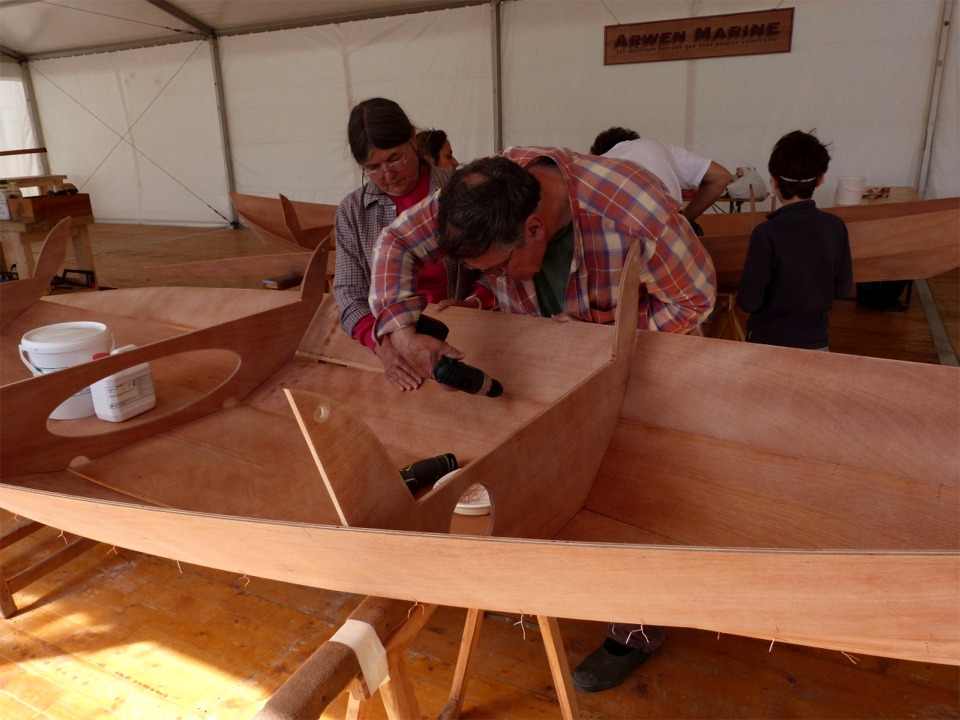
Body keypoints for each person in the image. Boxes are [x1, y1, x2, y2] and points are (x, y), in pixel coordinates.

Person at [333, 98, 492, 390]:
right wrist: (382, 345)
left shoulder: (456, 189)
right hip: (392, 345)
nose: (388, 173)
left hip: (470, 333)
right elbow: (348, 292)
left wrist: (475, 301)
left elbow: (496, 263)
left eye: (395, 158)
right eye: (373, 167)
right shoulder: (353, 211)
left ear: (412, 140)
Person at [737, 130, 853, 349]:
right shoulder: (835, 226)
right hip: (816, 342)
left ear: (774, 182)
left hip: (767, 344)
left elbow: (749, 301)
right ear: (820, 179)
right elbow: (843, 289)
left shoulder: (766, 233)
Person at [590, 127, 732, 234]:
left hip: (619, 244)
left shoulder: (596, 163)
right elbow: (721, 177)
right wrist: (685, 221)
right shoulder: (655, 146)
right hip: (669, 242)